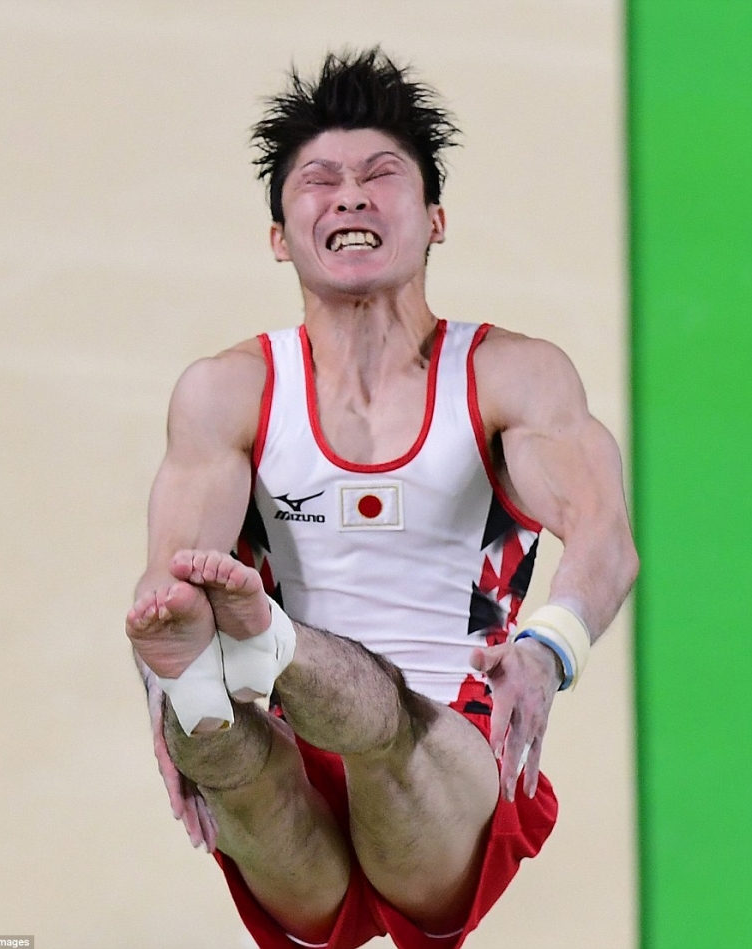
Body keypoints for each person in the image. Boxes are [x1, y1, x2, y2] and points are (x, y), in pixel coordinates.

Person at [126, 49, 638, 949]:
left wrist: (547, 648)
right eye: (319, 182)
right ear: (279, 236)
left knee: (385, 728)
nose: (350, 197)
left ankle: (266, 651)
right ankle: (213, 704)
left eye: (380, 176)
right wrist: (162, 708)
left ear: (435, 219)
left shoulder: (508, 377)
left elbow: (604, 536)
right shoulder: (228, 393)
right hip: (290, 762)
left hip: (450, 753)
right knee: (239, 758)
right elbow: (166, 592)